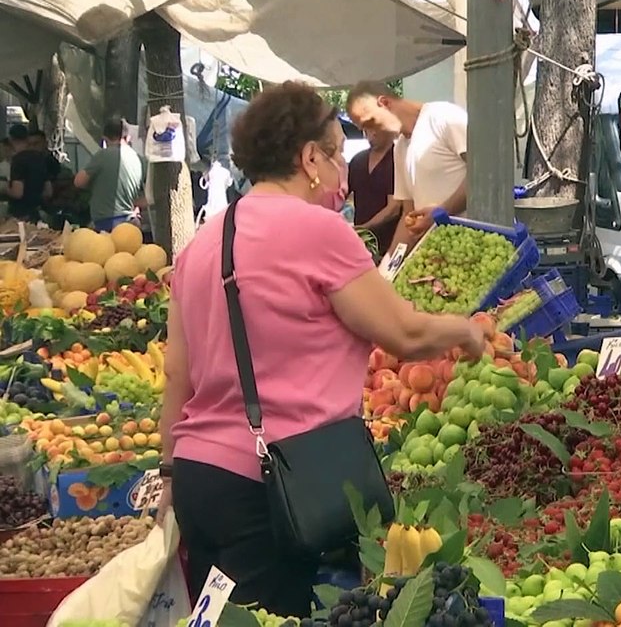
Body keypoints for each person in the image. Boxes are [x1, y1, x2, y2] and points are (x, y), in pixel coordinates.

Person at [154, 81, 486, 617]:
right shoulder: (318, 230)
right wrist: (465, 331)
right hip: (274, 487)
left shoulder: (203, 242)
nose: (342, 178)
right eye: (336, 157)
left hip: (200, 480)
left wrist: (169, 475)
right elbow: (405, 333)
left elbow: (177, 375)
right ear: (309, 158)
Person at [345, 82, 467, 255]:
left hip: (473, 248)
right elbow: (407, 216)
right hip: (437, 256)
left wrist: (442, 212)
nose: (369, 133)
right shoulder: (400, 148)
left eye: (369, 123)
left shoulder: (444, 117)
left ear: (384, 103)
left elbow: (484, 173)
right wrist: (388, 266)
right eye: (363, 129)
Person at [74, 115, 145, 232]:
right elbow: (152, 196)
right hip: (131, 223)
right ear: (128, 137)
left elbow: (78, 182)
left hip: (106, 224)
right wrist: (135, 203)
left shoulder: (102, 155)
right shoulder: (139, 159)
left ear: (105, 139)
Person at [348, 127, 400, 258]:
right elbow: (340, 195)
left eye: (376, 127)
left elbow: (394, 208)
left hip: (389, 245)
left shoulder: (398, 161)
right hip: (361, 244)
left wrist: (364, 228)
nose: (372, 132)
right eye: (368, 127)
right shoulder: (357, 160)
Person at [7, 124, 58, 221]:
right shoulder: (40, 158)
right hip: (37, 212)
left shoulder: (18, 160)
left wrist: (4, 188)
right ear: (27, 138)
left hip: (20, 214)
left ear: (11, 139)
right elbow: (48, 192)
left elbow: (17, 192)